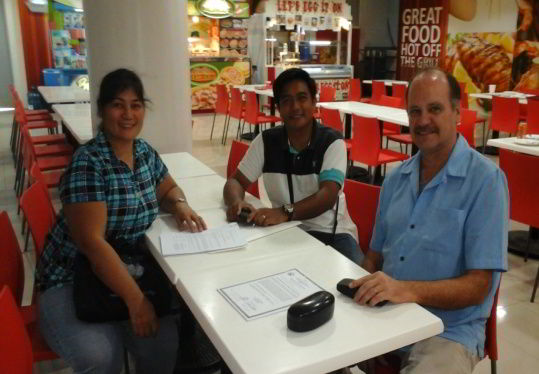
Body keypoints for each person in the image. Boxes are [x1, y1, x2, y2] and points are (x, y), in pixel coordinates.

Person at [36, 68, 207, 374]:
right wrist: (136, 301)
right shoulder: (88, 163)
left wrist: (180, 205)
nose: (128, 114)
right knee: (101, 355)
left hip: (126, 267)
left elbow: (167, 187)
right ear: (102, 109)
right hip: (72, 277)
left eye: (136, 105)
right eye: (118, 104)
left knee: (163, 342)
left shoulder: (143, 152)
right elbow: (92, 244)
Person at [351, 68, 508, 373]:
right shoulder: (396, 179)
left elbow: (478, 287)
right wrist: (363, 319)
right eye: (415, 111)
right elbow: (374, 257)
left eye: (434, 109)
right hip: (389, 315)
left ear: (456, 112)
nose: (423, 121)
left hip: (448, 330)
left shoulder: (486, 182)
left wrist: (405, 290)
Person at [223, 68, 362, 264]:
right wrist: (236, 203)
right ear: (278, 107)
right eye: (286, 100)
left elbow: (327, 197)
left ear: (314, 102)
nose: (295, 106)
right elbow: (235, 181)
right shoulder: (266, 141)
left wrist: (283, 212)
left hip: (331, 234)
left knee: (355, 284)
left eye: (302, 98)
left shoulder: (332, 142)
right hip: (283, 231)